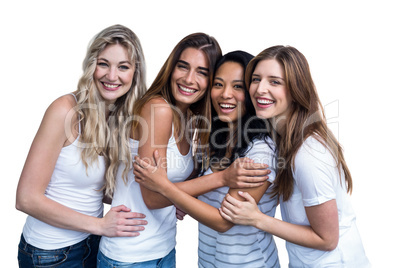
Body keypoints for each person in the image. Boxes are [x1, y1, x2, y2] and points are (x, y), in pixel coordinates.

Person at [97, 35, 269, 268]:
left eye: (202, 72)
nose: (189, 79)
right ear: (171, 68)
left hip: (163, 247)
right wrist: (221, 178)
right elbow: (153, 196)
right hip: (130, 255)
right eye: (183, 67)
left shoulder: (190, 119)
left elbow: (168, 185)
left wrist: (186, 195)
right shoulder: (159, 109)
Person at [220, 45, 371, 267]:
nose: (260, 89)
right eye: (255, 79)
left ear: (296, 90)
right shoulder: (284, 140)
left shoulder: (309, 154)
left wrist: (257, 219)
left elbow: (328, 239)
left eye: (275, 82)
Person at [15, 25, 148, 268]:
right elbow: (26, 199)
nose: (111, 75)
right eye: (104, 63)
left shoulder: (117, 117)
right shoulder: (65, 110)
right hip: (50, 254)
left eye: (123, 67)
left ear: (135, 74)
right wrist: (99, 225)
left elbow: (98, 189)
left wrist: (162, 199)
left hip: (92, 244)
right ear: (91, 65)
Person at [134, 51, 280, 267]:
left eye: (238, 86)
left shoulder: (260, 151)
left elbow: (223, 221)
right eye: (219, 84)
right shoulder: (211, 143)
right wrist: (181, 199)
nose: (225, 94)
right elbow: (198, 190)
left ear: (251, 93)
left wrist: (165, 188)